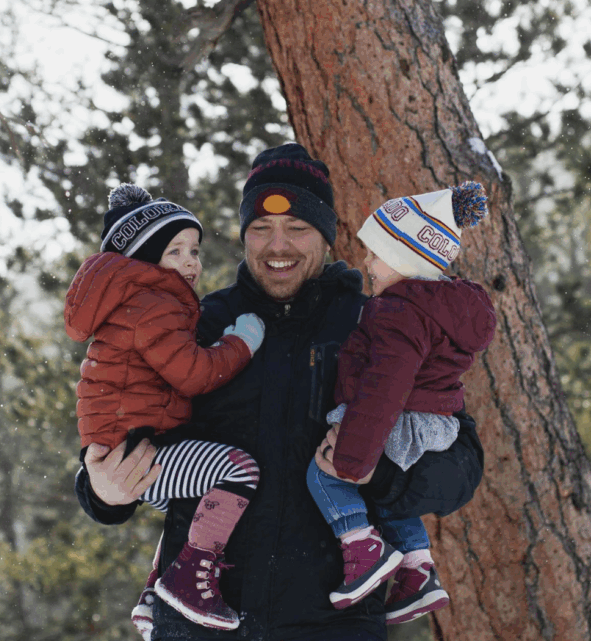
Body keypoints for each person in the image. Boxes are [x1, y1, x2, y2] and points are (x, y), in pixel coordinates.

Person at [75, 143, 485, 641]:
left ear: (327, 235)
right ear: (244, 234)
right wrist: (102, 493)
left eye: (298, 228)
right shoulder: (202, 326)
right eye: (261, 228)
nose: (278, 246)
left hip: (335, 622)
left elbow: (461, 463)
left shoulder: (377, 323)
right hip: (201, 622)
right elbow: (118, 412)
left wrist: (383, 477)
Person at [65, 184, 266, 634]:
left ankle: (156, 587)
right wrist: (240, 345)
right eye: (175, 252)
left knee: (193, 503)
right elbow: (194, 374)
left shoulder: (145, 305)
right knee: (238, 471)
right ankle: (185, 584)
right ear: (143, 261)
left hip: (139, 440)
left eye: (194, 249)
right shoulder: (155, 306)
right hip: (137, 449)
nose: (192, 262)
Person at [307, 182, 495, 622]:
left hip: (397, 419)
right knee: (391, 496)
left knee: (327, 475)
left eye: (376, 252)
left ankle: (361, 550)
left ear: (407, 257)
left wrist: (353, 458)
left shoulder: (397, 310)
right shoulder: (438, 308)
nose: (367, 262)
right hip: (432, 422)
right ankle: (417, 570)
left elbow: (385, 385)